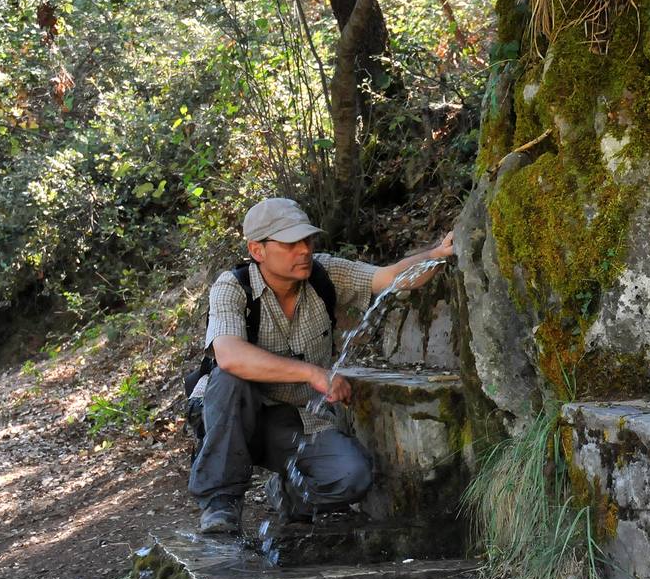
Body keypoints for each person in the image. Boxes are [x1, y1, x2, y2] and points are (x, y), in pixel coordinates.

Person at [189, 197, 454, 534]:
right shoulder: (233, 286)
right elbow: (230, 355)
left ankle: (291, 495)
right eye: (289, 243)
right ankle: (220, 504)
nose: (303, 250)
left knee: (352, 476)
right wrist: (313, 373)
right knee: (230, 379)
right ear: (258, 250)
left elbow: (388, 278)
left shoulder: (324, 274)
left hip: (294, 417)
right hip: (231, 416)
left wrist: (435, 255)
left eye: (307, 240)